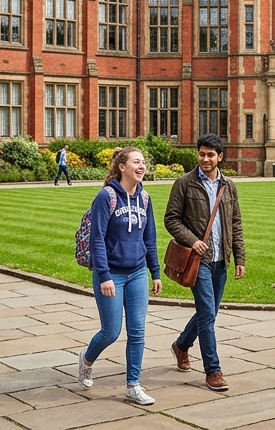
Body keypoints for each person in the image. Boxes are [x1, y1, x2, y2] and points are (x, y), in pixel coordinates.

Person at [79, 147, 162, 406]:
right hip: (111, 274)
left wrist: (155, 272)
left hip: (137, 273)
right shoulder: (106, 197)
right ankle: (86, 359)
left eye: (143, 162)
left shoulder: (145, 198)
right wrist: (103, 275)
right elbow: (97, 239)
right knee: (111, 332)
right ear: (122, 167)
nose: (142, 166)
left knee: (137, 332)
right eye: (136, 162)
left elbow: (150, 238)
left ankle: (133, 385)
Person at [166, 134, 245, 392]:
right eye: (202, 154)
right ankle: (213, 370)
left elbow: (235, 224)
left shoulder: (229, 186)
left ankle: (181, 346)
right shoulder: (184, 184)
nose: (205, 159)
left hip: (221, 260)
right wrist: (192, 241)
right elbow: (172, 219)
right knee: (208, 315)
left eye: (211, 154)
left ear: (220, 157)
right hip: (197, 261)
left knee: (207, 313)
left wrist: (239, 258)